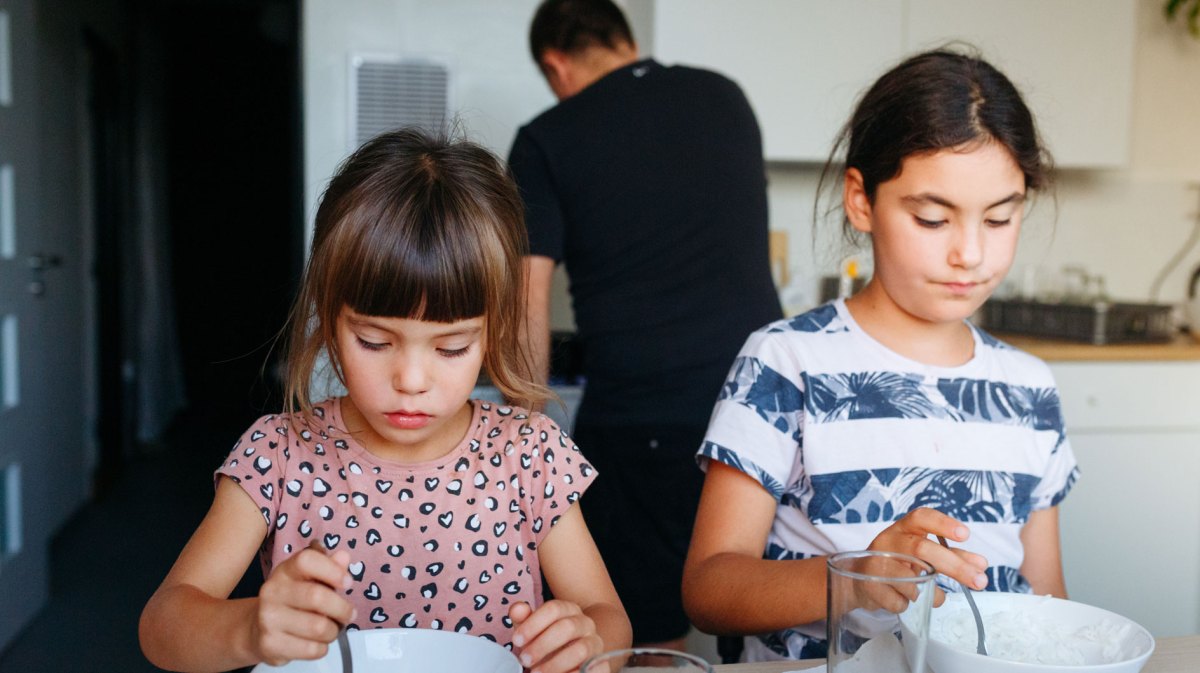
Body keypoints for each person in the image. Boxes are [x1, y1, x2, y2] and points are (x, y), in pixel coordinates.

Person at [139, 127, 631, 673]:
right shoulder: (278, 453)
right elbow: (164, 624)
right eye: (374, 341)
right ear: (327, 321)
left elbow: (607, 615)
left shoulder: (530, 454)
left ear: (492, 333)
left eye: (451, 347)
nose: (411, 379)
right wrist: (248, 628)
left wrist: (586, 643)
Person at [680, 48, 1080, 662]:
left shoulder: (1030, 389)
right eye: (931, 218)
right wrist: (857, 575)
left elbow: (1046, 597)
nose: (970, 254)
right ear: (862, 201)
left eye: (999, 219)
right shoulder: (786, 362)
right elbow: (708, 588)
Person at [508, 0, 782, 650]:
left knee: (644, 642)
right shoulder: (725, 98)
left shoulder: (547, 137)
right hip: (764, 411)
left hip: (644, 423)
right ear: (623, 39)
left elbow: (526, 306)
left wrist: (518, 439)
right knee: (755, 621)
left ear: (556, 64)